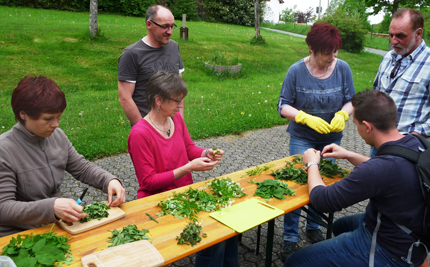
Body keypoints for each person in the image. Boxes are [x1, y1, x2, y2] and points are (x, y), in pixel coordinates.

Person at [285, 90, 427, 267]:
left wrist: (311, 164)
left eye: (356, 124)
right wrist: (348, 154)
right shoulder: (416, 142)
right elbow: (390, 170)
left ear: (367, 126)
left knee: (295, 262)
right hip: (411, 228)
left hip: (391, 250)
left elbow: (322, 200)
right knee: (339, 226)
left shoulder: (378, 169)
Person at [127, 70, 237, 266]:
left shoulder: (175, 119)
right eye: (176, 100)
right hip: (157, 203)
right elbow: (148, 182)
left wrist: (206, 153)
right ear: (158, 100)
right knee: (215, 236)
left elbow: (188, 148)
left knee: (229, 227)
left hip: (183, 195)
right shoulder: (140, 134)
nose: (180, 105)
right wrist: (188, 168)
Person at [0, 75, 126, 237]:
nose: (56, 124)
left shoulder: (57, 136)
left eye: (58, 116)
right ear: (23, 114)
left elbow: (82, 168)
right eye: (48, 119)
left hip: (55, 227)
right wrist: (51, 207)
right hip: (19, 236)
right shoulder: (4, 150)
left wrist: (110, 180)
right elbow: (3, 208)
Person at [277, 23, 355, 261]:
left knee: (323, 184)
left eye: (335, 51)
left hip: (332, 139)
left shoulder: (343, 68)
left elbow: (352, 100)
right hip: (302, 138)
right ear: (311, 48)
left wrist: (343, 114)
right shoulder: (296, 71)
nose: (332, 57)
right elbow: (283, 106)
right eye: (326, 53)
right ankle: (290, 237)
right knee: (298, 184)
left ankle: (313, 226)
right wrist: (303, 116)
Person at [372, 8, 430, 156]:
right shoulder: (388, 57)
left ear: (418, 33)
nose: (393, 41)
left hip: (410, 148)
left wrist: (415, 136)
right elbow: (376, 93)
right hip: (379, 143)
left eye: (400, 36)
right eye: (390, 35)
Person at [118, 5, 185, 126]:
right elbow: (125, 98)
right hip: (148, 126)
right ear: (149, 24)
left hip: (173, 127)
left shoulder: (174, 47)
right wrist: (144, 130)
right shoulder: (132, 54)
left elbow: (179, 90)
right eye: (164, 27)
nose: (170, 32)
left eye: (172, 26)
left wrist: (180, 124)